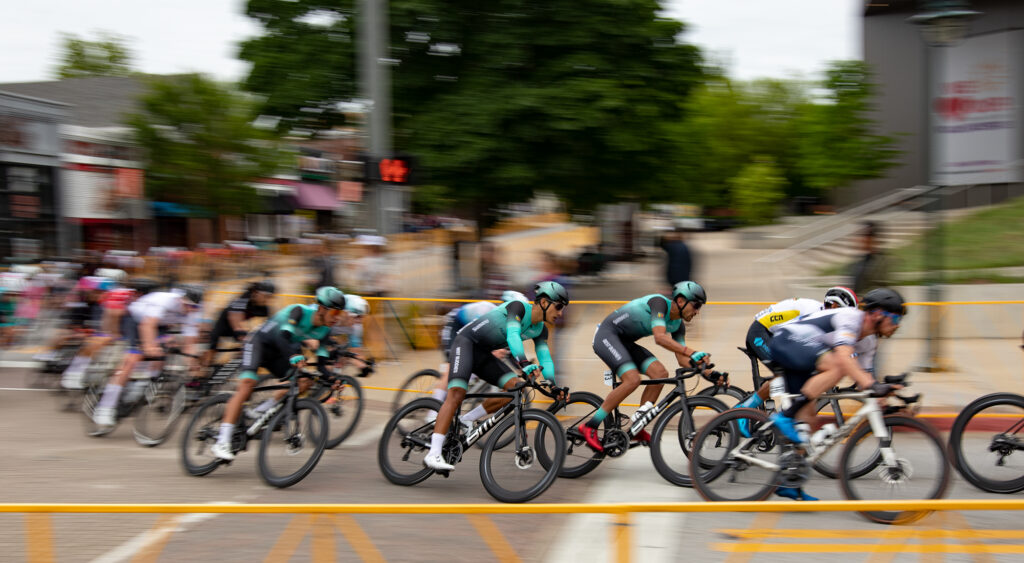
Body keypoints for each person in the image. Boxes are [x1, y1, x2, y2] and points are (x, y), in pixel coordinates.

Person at [764, 287, 906, 501]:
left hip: (804, 353)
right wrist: (871, 384)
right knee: (839, 364)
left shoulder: (869, 342)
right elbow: (844, 356)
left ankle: (789, 484)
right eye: (895, 318)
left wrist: (889, 400)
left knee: (809, 424)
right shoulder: (851, 318)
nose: (897, 324)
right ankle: (784, 416)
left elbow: (865, 381)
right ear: (878, 314)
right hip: (787, 340)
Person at [423, 282, 569, 471]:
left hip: (484, 353)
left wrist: (553, 385)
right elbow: (513, 335)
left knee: (516, 387)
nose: (560, 313)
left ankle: (467, 418)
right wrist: (524, 363)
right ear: (543, 302)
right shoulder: (518, 308)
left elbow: (545, 358)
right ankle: (433, 452)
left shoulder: (541, 329)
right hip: (466, 343)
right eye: (559, 306)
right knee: (457, 393)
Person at [210, 287, 348, 461]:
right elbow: (283, 336)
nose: (337, 317)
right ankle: (222, 441)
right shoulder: (299, 311)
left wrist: (332, 380)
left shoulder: (325, 331)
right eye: (335, 312)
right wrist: (293, 355)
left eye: (340, 313)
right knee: (246, 386)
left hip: (277, 354)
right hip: (259, 343)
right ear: (321, 308)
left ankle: (261, 411)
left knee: (305, 381)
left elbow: (321, 366)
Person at [579, 281, 716, 452]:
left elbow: (683, 360)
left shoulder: (677, 325)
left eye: (699, 307)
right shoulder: (659, 303)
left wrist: (710, 374)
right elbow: (659, 337)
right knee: (632, 379)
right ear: (680, 301)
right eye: (696, 305)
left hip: (625, 342)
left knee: (660, 374)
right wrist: (691, 351)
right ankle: (590, 426)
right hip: (607, 336)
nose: (697, 311)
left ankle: (637, 428)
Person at [92, 284, 205, 429]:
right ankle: (105, 407)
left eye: (195, 308)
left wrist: (192, 361)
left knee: (162, 355)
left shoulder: (193, 312)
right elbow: (147, 325)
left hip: (160, 324)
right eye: (188, 306)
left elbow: (190, 342)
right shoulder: (165, 301)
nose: (190, 310)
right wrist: (149, 347)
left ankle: (141, 386)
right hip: (137, 319)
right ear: (180, 300)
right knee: (134, 358)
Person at [733, 286, 859, 415]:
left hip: (774, 335)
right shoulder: (812, 311)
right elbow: (791, 338)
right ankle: (744, 409)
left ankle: (784, 410)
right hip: (760, 333)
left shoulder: (826, 316)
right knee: (786, 374)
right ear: (834, 306)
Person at [424, 291, 528, 421]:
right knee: (452, 366)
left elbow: (510, 349)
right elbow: (473, 334)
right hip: (456, 326)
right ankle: (432, 412)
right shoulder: (486, 310)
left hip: (468, 333)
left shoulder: (508, 322)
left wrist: (521, 367)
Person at [200, 281, 275, 368]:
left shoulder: (264, 307)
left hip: (236, 328)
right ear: (256, 293)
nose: (267, 300)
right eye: (266, 296)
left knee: (250, 343)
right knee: (211, 352)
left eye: (270, 297)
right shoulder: (242, 300)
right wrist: (246, 340)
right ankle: (200, 374)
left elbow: (271, 323)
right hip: (223, 326)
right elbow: (237, 324)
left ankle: (231, 364)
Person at [849, 221, 889, 295]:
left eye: (863, 235)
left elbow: (884, 292)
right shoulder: (856, 263)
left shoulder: (884, 263)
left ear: (872, 239)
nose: (859, 239)